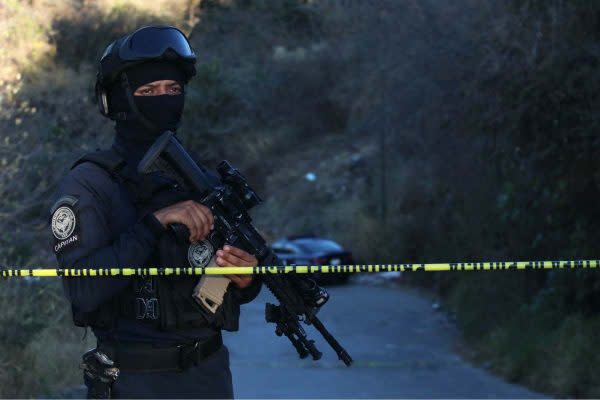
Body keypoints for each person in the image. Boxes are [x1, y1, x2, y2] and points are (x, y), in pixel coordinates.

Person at [48, 25, 262, 399]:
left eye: (173, 89)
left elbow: (226, 283)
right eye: (147, 91)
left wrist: (245, 278)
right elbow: (83, 291)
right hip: (133, 380)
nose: (163, 99)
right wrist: (155, 224)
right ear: (115, 101)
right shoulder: (91, 183)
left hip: (209, 376)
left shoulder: (204, 180)